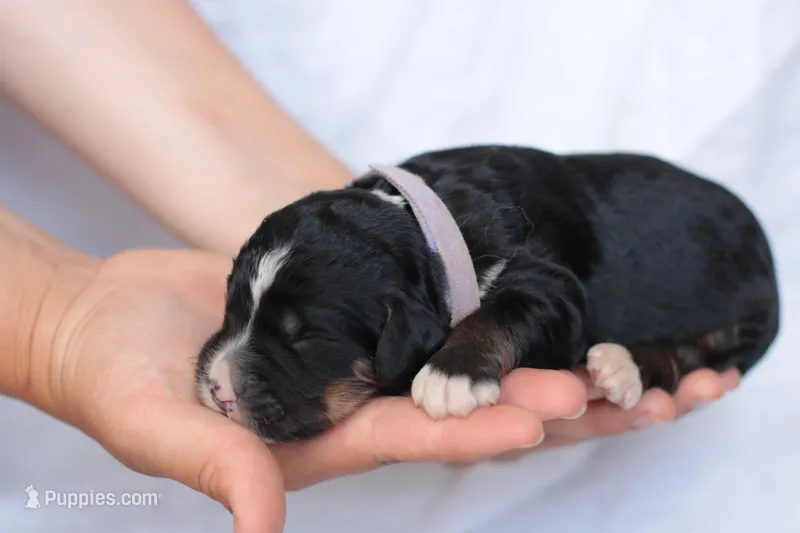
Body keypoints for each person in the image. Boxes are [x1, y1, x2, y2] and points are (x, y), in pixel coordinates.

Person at [3, 1, 792, 533]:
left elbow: (547, 298)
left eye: (296, 337)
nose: (224, 371)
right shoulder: (404, 222)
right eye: (236, 309)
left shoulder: (498, 241)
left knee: (658, 347)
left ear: (403, 329)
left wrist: (474, 350)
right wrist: (50, 323)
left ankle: (668, 354)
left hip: (729, 292)